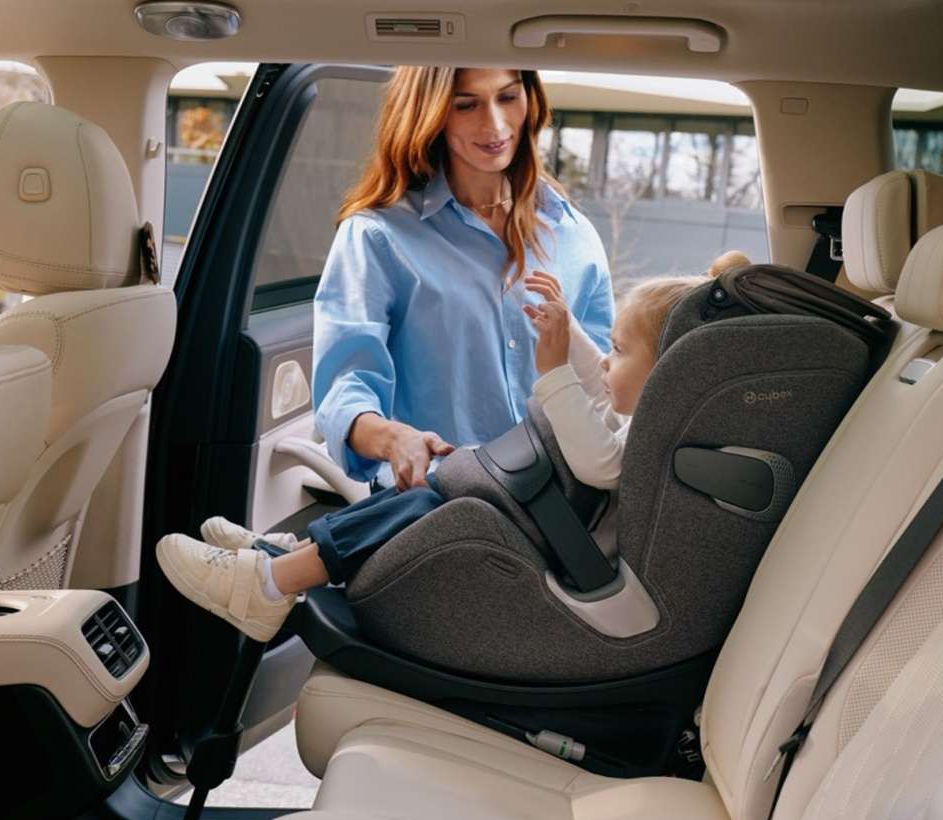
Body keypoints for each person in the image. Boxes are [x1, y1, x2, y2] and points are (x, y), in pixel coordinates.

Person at [155, 252, 752, 633]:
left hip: (566, 557)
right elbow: (600, 392)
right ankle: (285, 556)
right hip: (551, 526)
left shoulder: (650, 436)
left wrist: (552, 374)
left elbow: (599, 464)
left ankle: (269, 586)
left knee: (429, 502)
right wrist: (567, 332)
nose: (604, 363)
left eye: (618, 351)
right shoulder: (658, 417)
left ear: (668, 371)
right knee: (436, 483)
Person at [312, 66, 615, 494]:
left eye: (507, 97)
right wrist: (394, 438)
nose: (495, 124)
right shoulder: (378, 236)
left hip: (558, 502)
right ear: (431, 113)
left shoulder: (575, 234)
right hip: (438, 498)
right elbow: (345, 388)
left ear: (531, 100)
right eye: (466, 105)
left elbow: (607, 390)